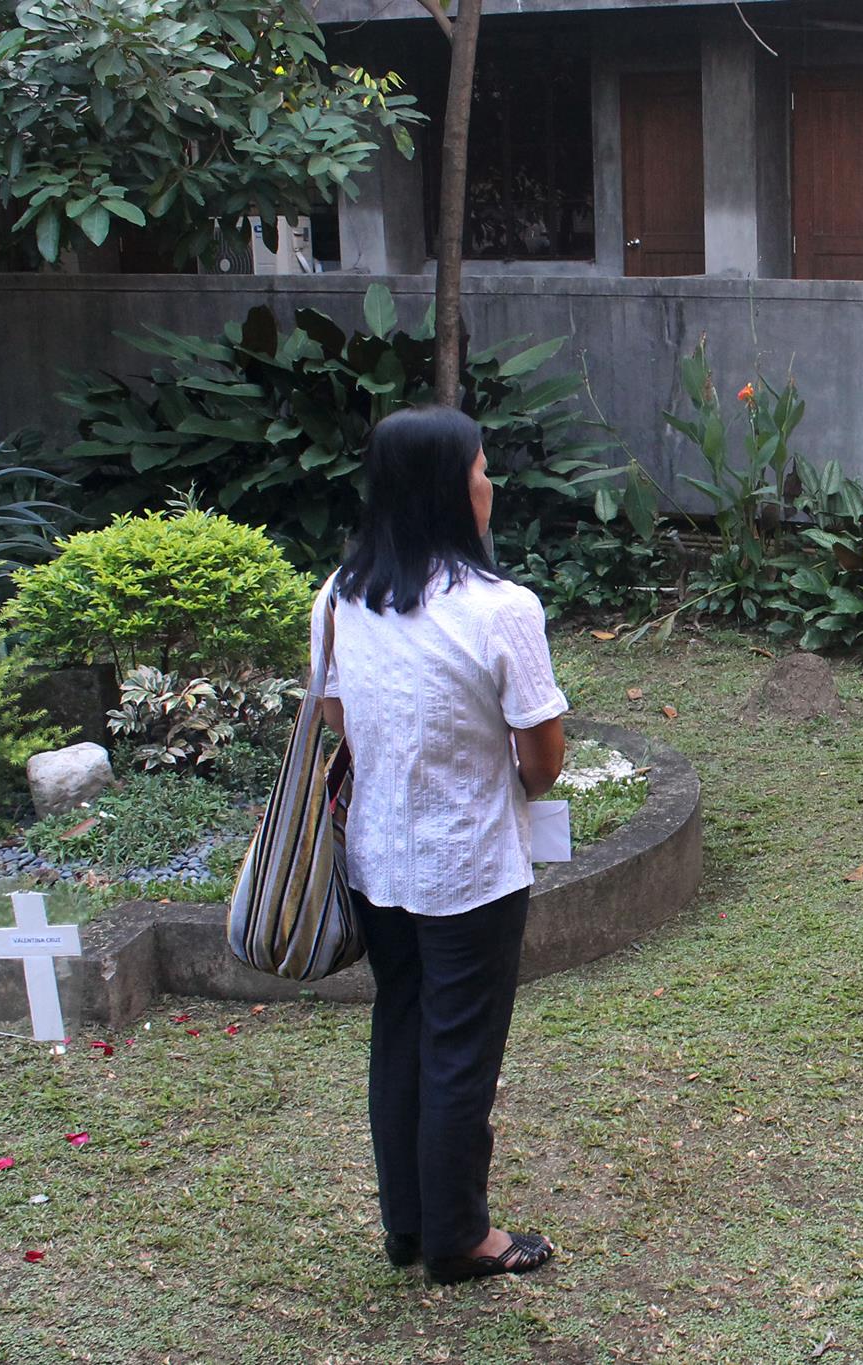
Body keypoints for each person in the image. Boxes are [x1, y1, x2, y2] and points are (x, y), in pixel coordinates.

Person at [312, 405, 567, 1285]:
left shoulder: (341, 597)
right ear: (448, 491)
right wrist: (497, 778)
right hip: (472, 867)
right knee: (460, 1047)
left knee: (402, 1027)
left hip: (378, 860)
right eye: (480, 469)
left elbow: (339, 718)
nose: (490, 483)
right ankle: (460, 1237)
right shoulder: (502, 610)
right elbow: (543, 758)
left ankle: (409, 1223)